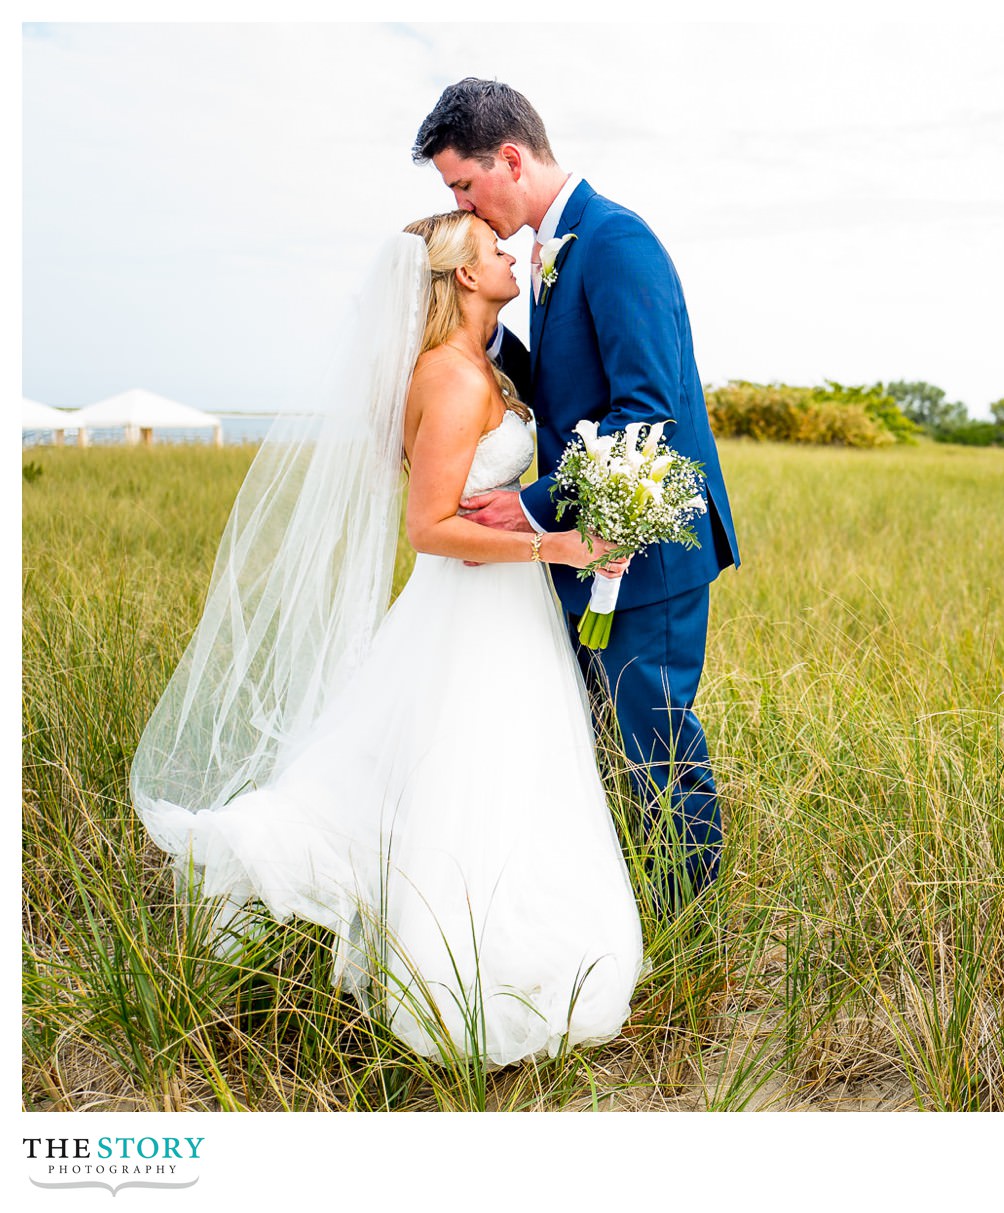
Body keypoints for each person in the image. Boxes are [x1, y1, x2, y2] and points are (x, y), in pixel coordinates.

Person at [131, 211, 643, 1068]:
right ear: (462, 277)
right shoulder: (447, 376)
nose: (510, 254)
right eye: (491, 250)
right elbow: (429, 527)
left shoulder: (481, 364)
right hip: (470, 611)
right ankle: (455, 965)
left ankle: (515, 934)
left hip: (503, 607)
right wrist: (552, 544)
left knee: (501, 770)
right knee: (469, 773)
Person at [413, 79, 740, 914]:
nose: (462, 205)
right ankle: (619, 912)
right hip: (581, 554)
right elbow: (556, 387)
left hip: (650, 552)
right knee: (601, 748)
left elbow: (647, 419)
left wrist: (530, 506)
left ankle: (688, 930)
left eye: (462, 185)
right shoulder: (556, 253)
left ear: (509, 159)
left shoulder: (616, 243)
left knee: (656, 747)